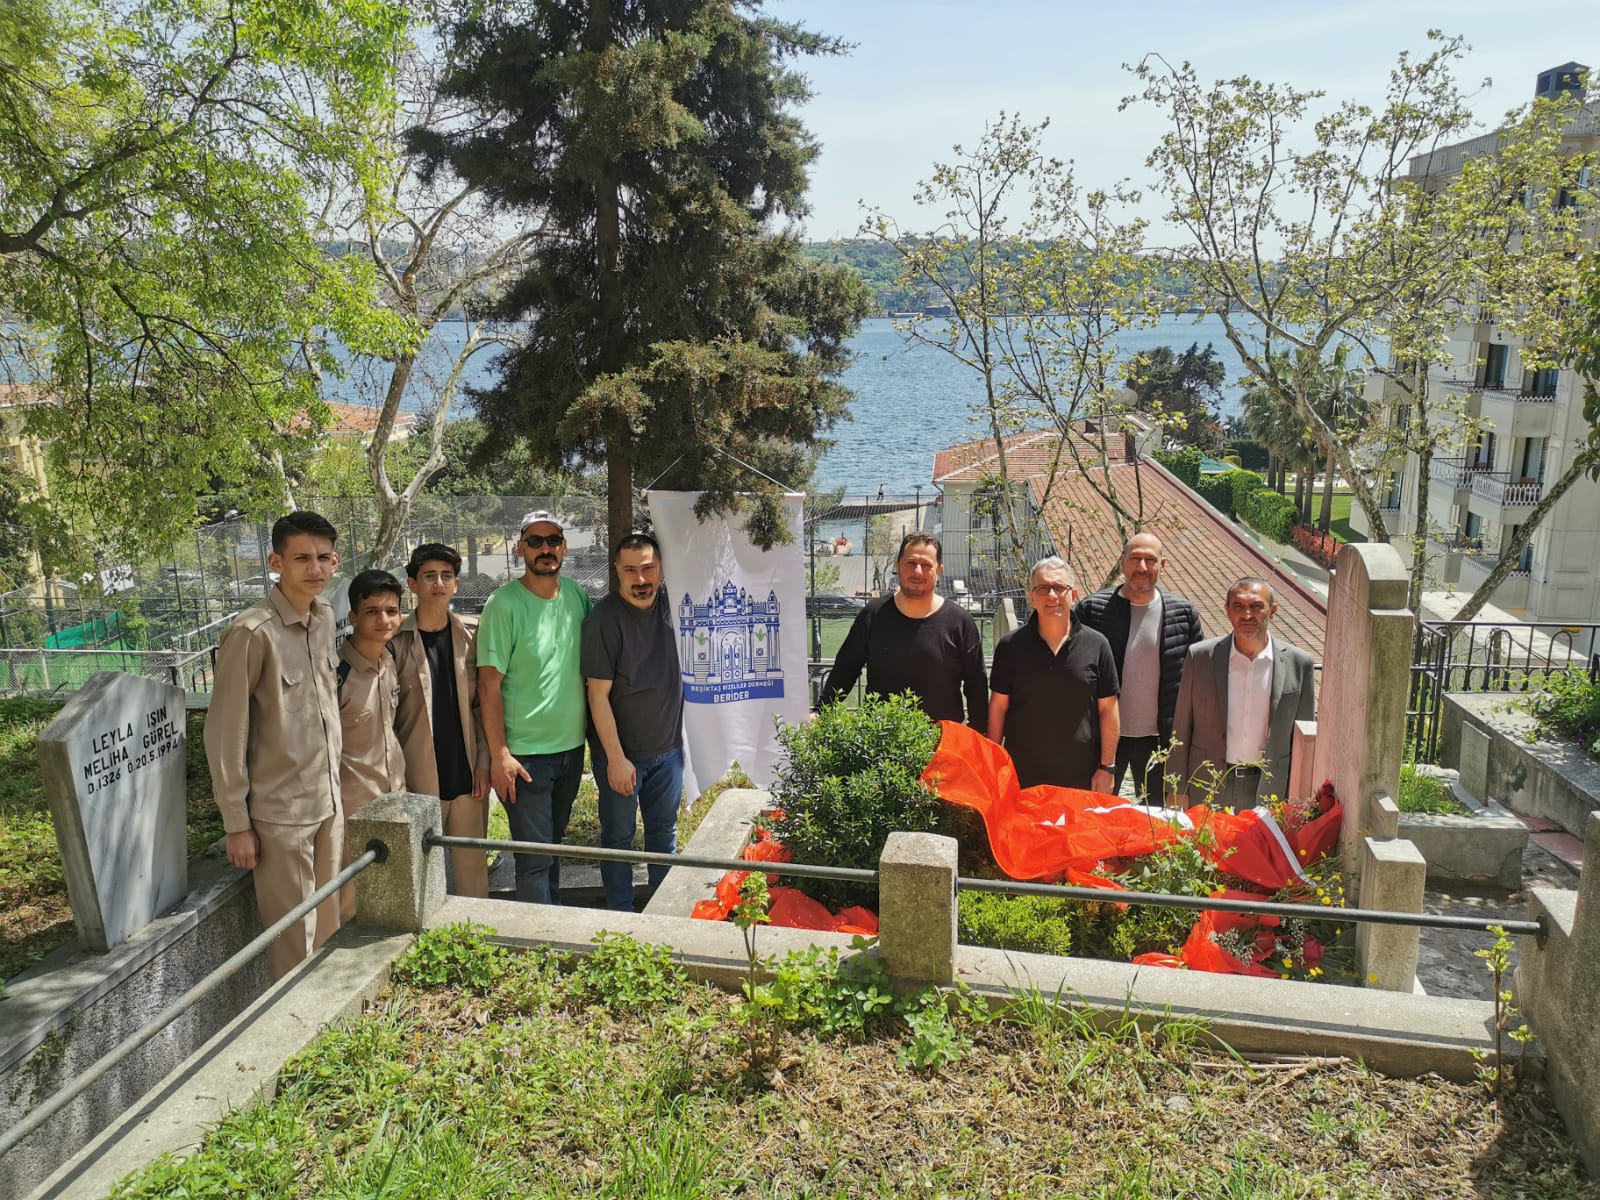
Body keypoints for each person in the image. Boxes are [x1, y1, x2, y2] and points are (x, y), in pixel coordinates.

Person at [204, 511, 343, 981]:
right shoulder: (251, 633)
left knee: (331, 923)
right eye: (301, 558)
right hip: (281, 816)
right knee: (292, 940)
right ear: (275, 562)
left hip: (329, 803)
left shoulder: (324, 619)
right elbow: (225, 733)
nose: (315, 568)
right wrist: (236, 824)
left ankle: (332, 1029)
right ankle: (295, 1038)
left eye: (323, 557)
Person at [477, 510, 592, 904]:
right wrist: (500, 755)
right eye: (536, 541)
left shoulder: (577, 596)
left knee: (552, 848)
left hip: (571, 751)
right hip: (525, 758)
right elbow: (489, 687)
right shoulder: (503, 604)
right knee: (534, 859)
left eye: (553, 540)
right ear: (520, 547)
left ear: (564, 547)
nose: (546, 549)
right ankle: (539, 951)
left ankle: (553, 926)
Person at [581, 533, 684, 912]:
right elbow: (597, 696)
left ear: (661, 568)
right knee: (618, 839)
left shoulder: (676, 607)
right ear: (617, 573)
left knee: (664, 835)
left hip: (669, 751)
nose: (641, 579)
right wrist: (616, 759)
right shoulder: (604, 621)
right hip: (623, 756)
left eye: (648, 568)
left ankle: (665, 911)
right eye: (630, 571)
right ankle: (621, 915)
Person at [391, 543, 491, 897]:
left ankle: (475, 943)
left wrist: (483, 763)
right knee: (421, 877)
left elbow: (483, 707)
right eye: (429, 576)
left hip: (468, 777)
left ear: (456, 585)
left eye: (446, 576)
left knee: (473, 871)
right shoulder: (393, 643)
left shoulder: (472, 635)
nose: (438, 583)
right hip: (418, 781)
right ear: (412, 584)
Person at [1073, 532, 1204, 800]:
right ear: (1123, 562)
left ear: (1162, 565)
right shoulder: (1091, 611)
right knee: (1097, 813)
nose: (1142, 567)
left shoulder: (1184, 614)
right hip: (1104, 740)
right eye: (1135, 558)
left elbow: (1197, 682)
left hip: (1160, 741)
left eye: (1150, 560)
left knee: (1156, 822)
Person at [1168, 577, 1317, 810]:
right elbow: (1182, 725)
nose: (1247, 615)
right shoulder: (1200, 657)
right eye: (1238, 607)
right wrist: (1176, 789)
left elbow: (1305, 736)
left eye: (1257, 607)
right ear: (1227, 611)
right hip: (1208, 784)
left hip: (1271, 789)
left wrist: (1301, 798)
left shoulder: (1299, 664)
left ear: (1273, 611)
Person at [818, 532, 987, 727]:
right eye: (910, 563)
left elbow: (977, 685)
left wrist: (978, 734)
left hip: (943, 747)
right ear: (897, 566)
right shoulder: (872, 615)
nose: (917, 571)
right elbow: (845, 670)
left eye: (926, 565)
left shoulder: (960, 622)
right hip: (882, 744)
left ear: (938, 571)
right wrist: (821, 712)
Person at [988, 557, 1120, 791]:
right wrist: (993, 766)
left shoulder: (1097, 645)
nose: (1052, 595)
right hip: (1023, 777)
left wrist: (1107, 768)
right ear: (1032, 597)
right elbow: (998, 707)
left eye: (1060, 587)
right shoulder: (1010, 647)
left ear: (1074, 593)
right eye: (1043, 588)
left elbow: (1108, 710)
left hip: (1082, 778)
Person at [335, 569, 407, 924]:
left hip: (392, 799)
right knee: (349, 906)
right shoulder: (336, 675)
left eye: (391, 611)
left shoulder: (389, 661)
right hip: (351, 810)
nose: (384, 619)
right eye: (372, 611)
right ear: (353, 617)